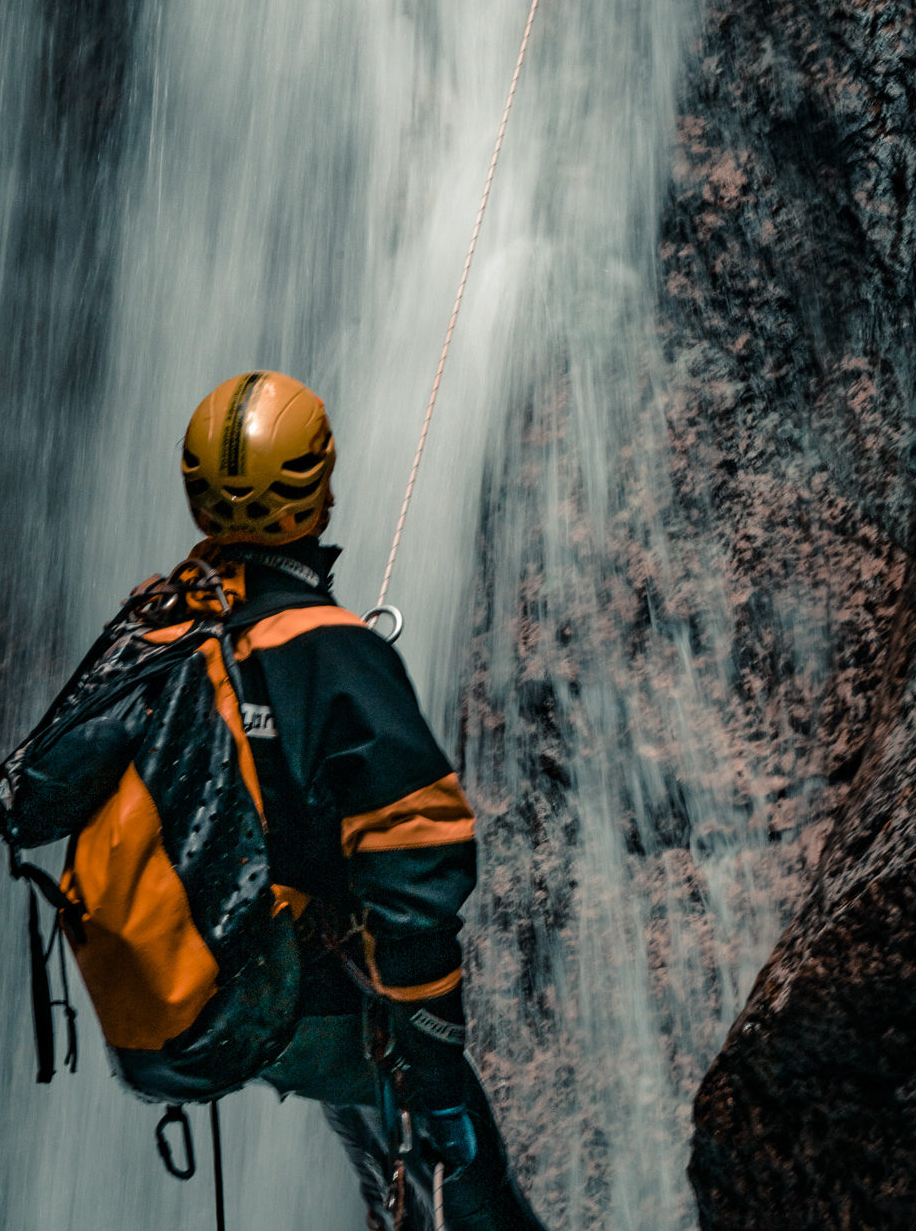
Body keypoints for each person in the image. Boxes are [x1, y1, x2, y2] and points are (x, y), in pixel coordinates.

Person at [176, 370, 547, 1231]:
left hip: (230, 999)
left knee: (385, 1172)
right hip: (332, 1006)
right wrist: (439, 1066)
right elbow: (415, 869)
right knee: (476, 1205)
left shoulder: (182, 636)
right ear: (320, 485)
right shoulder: (330, 654)